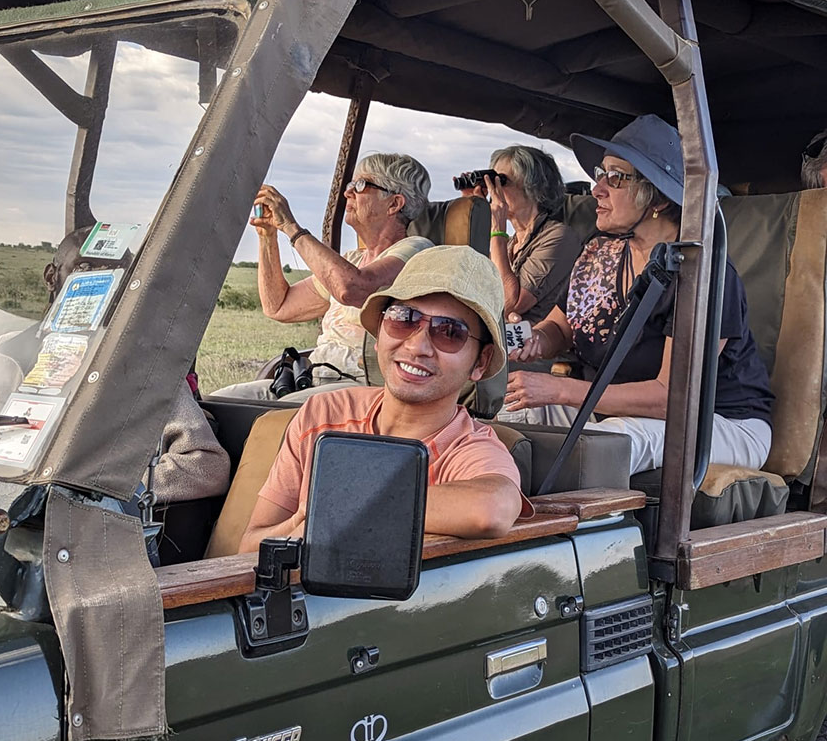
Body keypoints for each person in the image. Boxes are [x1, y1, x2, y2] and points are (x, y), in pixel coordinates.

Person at [500, 115, 774, 477]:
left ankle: (585, 534)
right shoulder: (599, 254)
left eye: (615, 178)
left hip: (720, 422)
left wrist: (561, 390)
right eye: (601, 174)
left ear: (656, 197)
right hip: (615, 410)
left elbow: (670, 398)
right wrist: (532, 339)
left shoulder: (700, 275)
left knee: (604, 448)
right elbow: (560, 329)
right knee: (504, 419)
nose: (597, 188)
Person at [0, 226, 229, 504]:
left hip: (70, 535)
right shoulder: (8, 351)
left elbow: (207, 465)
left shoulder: (142, 367)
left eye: (114, 278)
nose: (97, 288)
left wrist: (95, 485)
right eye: (83, 272)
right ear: (51, 277)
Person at [240, 245, 533, 551]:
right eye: (403, 318)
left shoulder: (467, 449)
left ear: (481, 362)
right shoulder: (324, 414)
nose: (417, 346)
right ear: (379, 332)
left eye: (449, 332)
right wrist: (304, 525)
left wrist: (343, 505)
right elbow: (247, 548)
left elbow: (492, 508)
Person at [209, 153, 433, 401]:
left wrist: (292, 228)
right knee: (215, 403)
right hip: (315, 378)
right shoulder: (351, 261)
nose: (348, 193)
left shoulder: (416, 251)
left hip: (361, 387)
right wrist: (268, 236)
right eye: (350, 185)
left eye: (360, 186)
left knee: (278, 414)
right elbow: (279, 306)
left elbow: (352, 289)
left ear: (394, 204)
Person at [482, 145, 582, 323]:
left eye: (501, 181)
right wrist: (472, 207)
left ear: (533, 187)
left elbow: (509, 304)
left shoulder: (559, 237)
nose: (494, 190)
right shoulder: (510, 243)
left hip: (538, 346)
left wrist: (497, 229)